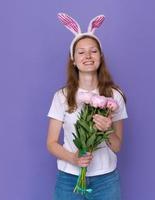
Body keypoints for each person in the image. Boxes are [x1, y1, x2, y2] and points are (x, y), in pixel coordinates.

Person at [46, 13, 127, 200]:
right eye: (81, 52)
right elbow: (51, 143)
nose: (88, 56)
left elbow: (117, 146)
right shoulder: (62, 96)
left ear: (100, 56)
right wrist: (73, 159)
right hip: (69, 179)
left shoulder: (115, 96)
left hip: (106, 180)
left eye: (93, 51)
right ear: (73, 59)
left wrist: (107, 130)